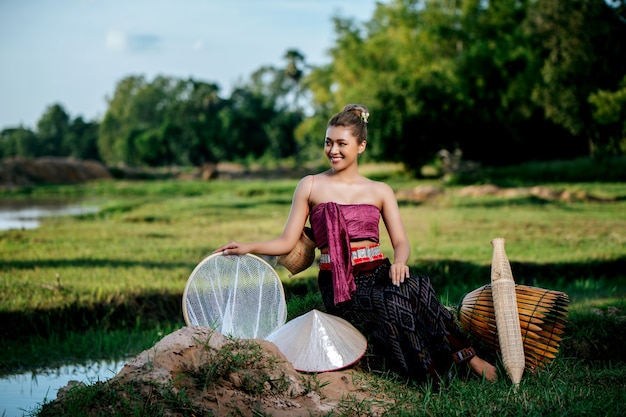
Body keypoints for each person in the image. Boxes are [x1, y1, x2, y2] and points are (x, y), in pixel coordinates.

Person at [215, 104, 497, 388]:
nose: (333, 150)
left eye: (341, 143)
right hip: (341, 283)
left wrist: (400, 262)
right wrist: (248, 246)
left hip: (379, 270)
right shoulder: (310, 185)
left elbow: (400, 241)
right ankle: (432, 375)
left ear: (361, 146)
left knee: (418, 287)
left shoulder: (380, 190)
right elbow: (287, 240)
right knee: (392, 301)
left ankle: (468, 359)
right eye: (328, 143)